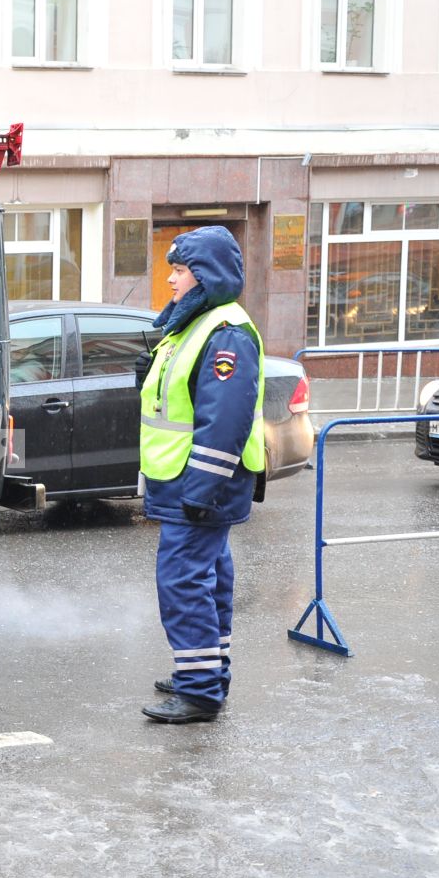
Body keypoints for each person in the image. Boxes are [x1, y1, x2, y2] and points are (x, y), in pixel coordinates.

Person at [136, 225, 266, 723]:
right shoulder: (198, 324)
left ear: (205, 274)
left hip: (200, 485)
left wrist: (203, 488)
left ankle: (199, 689)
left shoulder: (225, 333)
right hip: (189, 482)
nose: (171, 279)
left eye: (180, 269)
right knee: (207, 579)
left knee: (183, 580)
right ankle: (206, 672)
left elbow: (224, 421)